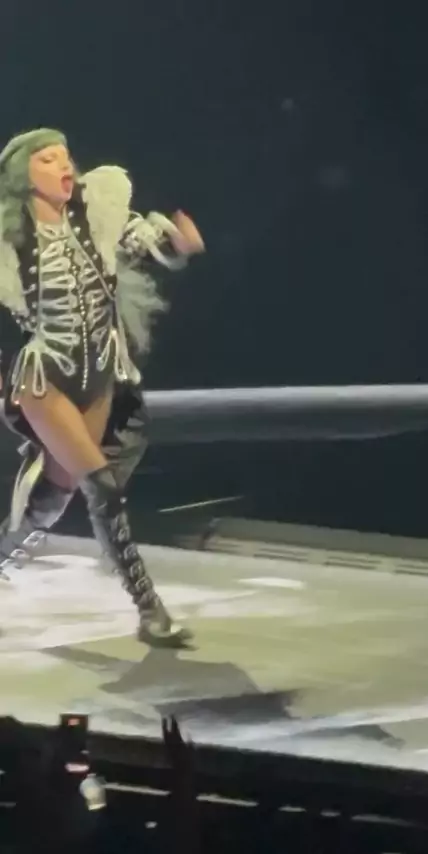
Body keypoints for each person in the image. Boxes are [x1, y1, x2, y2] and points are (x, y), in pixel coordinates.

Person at [0, 128, 205, 646]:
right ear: (25, 174)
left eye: (66, 157)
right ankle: (149, 609)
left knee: (58, 492)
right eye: (49, 159)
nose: (64, 166)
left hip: (97, 372)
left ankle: (3, 554)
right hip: (46, 377)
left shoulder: (94, 214)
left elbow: (145, 242)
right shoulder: (9, 237)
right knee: (102, 485)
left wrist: (176, 243)